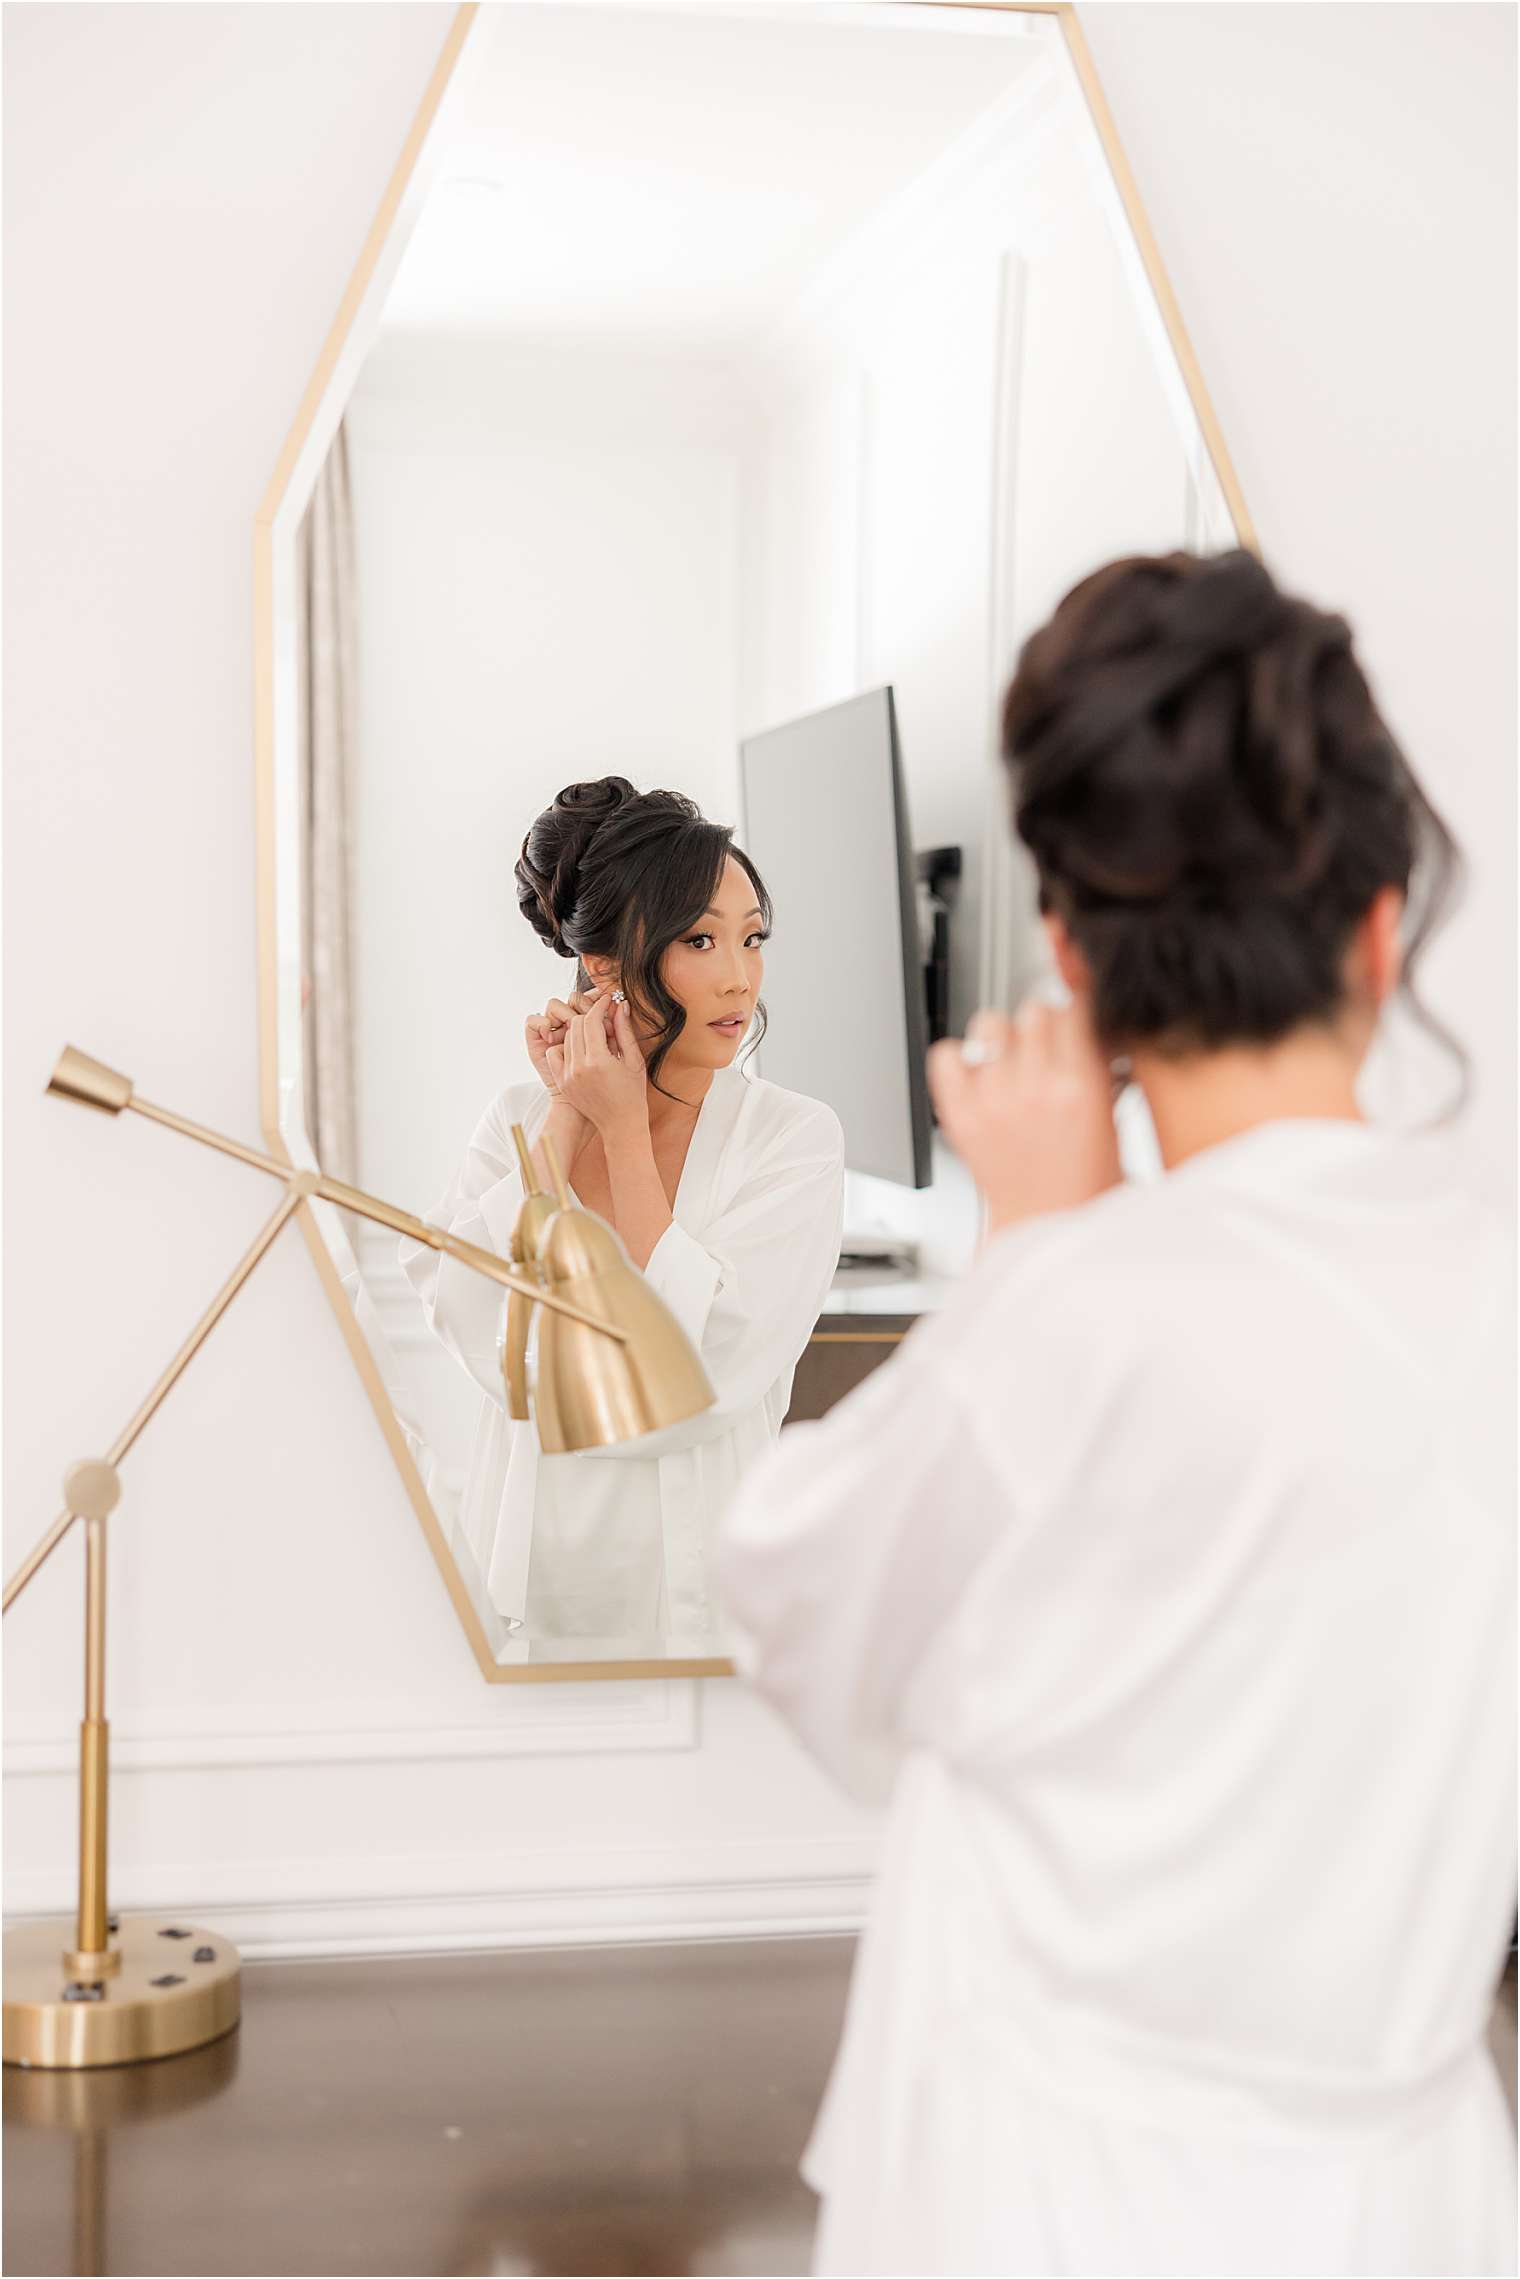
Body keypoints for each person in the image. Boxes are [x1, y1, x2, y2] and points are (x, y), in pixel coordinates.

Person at [719, 551, 1515, 2276]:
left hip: (1051, 2192)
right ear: (1383, 932)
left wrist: (1036, 1244)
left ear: (1075, 957)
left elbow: (795, 1598)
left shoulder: (1073, 1306)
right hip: (1416, 2194)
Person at [401, 777, 844, 1645]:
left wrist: (624, 1130)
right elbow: (480, 1331)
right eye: (700, 940)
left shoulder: (792, 1140)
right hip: (526, 1609)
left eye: (752, 939)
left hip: (697, 1621)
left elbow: (698, 1379)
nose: (738, 977)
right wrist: (569, 1111)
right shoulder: (520, 1123)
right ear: (602, 964)